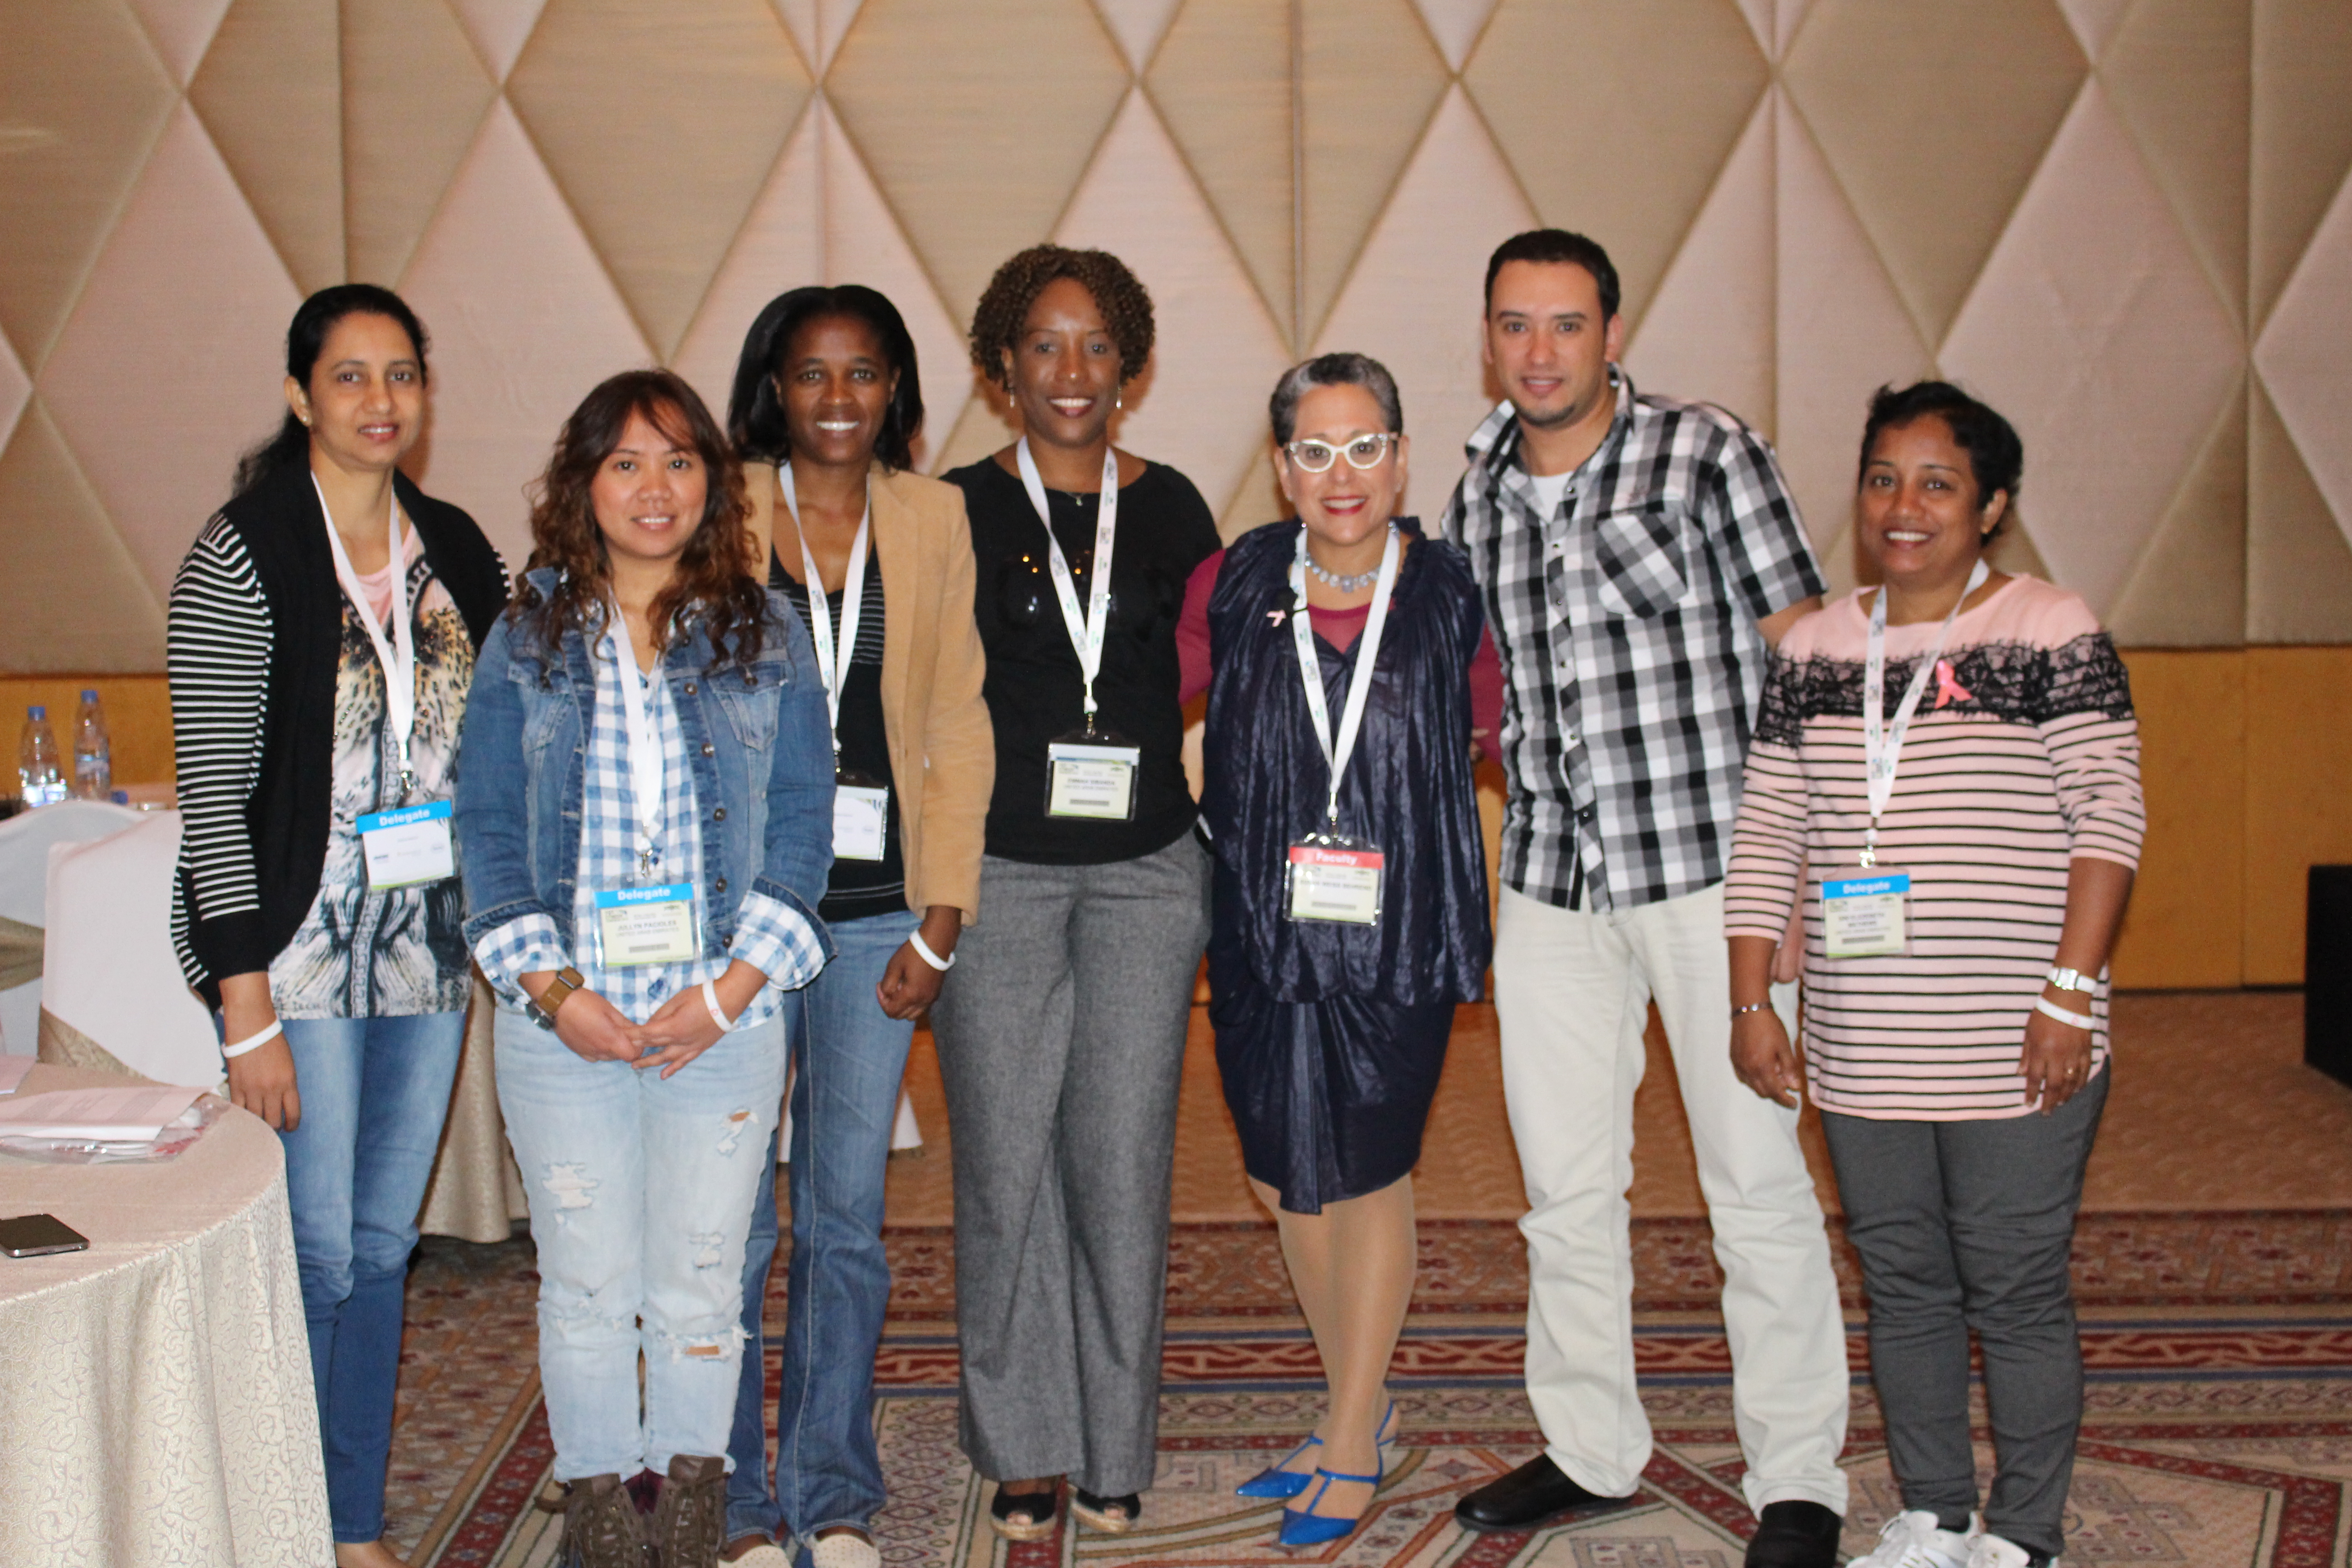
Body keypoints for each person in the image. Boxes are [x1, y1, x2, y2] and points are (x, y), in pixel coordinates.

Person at [1441, 230, 1852, 1568]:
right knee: (1564, 1189)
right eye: (1516, 326)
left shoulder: (1705, 452)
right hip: (1553, 881)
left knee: (1755, 1181)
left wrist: (1808, 876)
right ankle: (1589, 1446)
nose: (1541, 353)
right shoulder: (1478, 493)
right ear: (1489, 337)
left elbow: (1808, 660)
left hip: (1716, 876)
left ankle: (1799, 1477)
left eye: (1566, 325)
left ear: (1612, 332)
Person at [1725, 383, 2142, 1568]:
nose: (1902, 508)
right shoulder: (1812, 648)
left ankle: (2024, 1535)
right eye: (1882, 479)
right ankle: (1934, 1513)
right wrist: (1755, 999)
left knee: (2012, 1288)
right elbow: (1769, 835)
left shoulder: (2048, 628)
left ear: (1992, 504)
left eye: (1938, 483)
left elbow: (2109, 814)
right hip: (1864, 1042)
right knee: (1903, 1284)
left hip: (2018, 1034)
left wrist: (2070, 993)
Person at [455, 370, 835, 1568]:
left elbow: (802, 821)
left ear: (713, 482)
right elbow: (486, 832)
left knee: (701, 1290)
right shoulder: (526, 640)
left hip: (722, 1009)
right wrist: (559, 997)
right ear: (584, 484)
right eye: (626, 463)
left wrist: (729, 991)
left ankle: (693, 1537)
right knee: (583, 1290)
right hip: (563, 1012)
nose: (654, 488)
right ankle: (609, 1543)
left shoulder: (764, 631)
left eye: (679, 461)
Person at [168, 284, 507, 1568]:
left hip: (426, 957)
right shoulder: (242, 551)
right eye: (351, 378)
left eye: (402, 376)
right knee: (311, 1250)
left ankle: (348, 1519)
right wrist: (241, 1002)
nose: (381, 402)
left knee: (381, 1244)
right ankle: (282, 1517)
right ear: (303, 395)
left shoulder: (459, 550)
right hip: (294, 965)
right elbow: (213, 798)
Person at [1176, 353, 1496, 1547]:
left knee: (1365, 1169)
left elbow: (1523, 729)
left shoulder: (1454, 589)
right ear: (1280, 469)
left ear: (1404, 458)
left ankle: (1353, 1430)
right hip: (1264, 923)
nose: (1342, 474)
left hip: (1397, 930)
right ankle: (1351, 1400)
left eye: (1365, 447)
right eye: (1315, 450)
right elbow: (1150, 698)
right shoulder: (1239, 576)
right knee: (1279, 1175)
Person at [932, 245, 1220, 1540]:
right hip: (994, 878)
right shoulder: (950, 512)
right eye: (1043, 344)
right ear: (1002, 368)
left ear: (1132, 367)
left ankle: (1115, 1441)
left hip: (1150, 876)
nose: (1072, 371)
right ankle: (1027, 1440)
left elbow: (1220, 689)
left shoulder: (1177, 512)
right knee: (1005, 1165)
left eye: (1097, 345)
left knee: (1119, 1162)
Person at [715, 286, 993, 1568]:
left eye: (864, 373)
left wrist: (943, 920)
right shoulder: (717, 507)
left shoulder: (933, 517)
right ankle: (725, 1491)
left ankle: (825, 1488)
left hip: (880, 919)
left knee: (843, 1218)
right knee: (733, 1220)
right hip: (739, 922)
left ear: (895, 390)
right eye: (812, 373)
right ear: (774, 386)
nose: (838, 398)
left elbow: (953, 719)